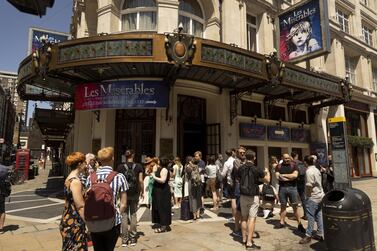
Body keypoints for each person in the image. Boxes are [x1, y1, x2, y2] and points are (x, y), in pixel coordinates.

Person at [86, 147, 128, 251]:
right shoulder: (119, 177)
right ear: (112, 158)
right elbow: (123, 203)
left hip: (94, 220)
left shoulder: (90, 178)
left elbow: (87, 198)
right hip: (112, 220)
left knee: (98, 248)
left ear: (99, 160)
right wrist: (118, 213)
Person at [235, 150, 266, 249]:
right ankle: (249, 242)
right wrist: (268, 172)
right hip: (253, 196)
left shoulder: (240, 168)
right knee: (252, 218)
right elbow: (266, 179)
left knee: (244, 217)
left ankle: (244, 239)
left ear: (245, 157)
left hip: (243, 195)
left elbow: (238, 179)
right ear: (254, 157)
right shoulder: (256, 169)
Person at [59, 152, 88, 251]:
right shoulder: (76, 182)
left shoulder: (69, 178)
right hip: (74, 222)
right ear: (79, 164)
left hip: (67, 219)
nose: (86, 164)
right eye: (84, 162)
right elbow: (80, 207)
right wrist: (88, 223)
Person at [116, 149, 144, 247]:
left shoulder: (120, 167)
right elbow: (140, 180)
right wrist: (142, 191)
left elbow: (118, 181)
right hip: (134, 193)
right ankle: (133, 238)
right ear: (133, 155)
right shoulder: (139, 166)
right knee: (133, 214)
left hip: (124, 193)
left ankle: (124, 239)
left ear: (125, 156)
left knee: (123, 215)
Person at [275, 153, 305, 233]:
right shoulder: (278, 166)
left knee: (295, 206)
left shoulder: (294, 165)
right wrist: (289, 177)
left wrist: (284, 176)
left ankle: (299, 224)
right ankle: (281, 222)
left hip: (293, 188)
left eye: (288, 158)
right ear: (282, 158)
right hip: (282, 189)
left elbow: (295, 176)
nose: (287, 159)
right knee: (283, 206)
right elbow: (278, 177)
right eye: (285, 158)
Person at [299, 155, 325, 244]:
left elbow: (309, 185)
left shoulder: (309, 171)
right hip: (320, 195)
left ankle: (308, 235)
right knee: (319, 215)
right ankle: (320, 233)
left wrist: (308, 196)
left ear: (305, 162)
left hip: (313, 197)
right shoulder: (316, 169)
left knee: (310, 216)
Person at [150, 157, 172, 233]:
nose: (158, 161)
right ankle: (161, 223)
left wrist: (154, 176)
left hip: (163, 192)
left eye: (159, 160)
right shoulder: (160, 168)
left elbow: (163, 180)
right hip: (158, 191)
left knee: (163, 207)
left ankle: (164, 226)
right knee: (158, 206)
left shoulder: (164, 169)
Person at [291, 152, 307, 220]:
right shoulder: (301, 163)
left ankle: (296, 215)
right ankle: (306, 214)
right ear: (297, 155)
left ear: (291, 156)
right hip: (302, 181)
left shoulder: (292, 163)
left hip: (295, 182)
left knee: (295, 199)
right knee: (303, 198)